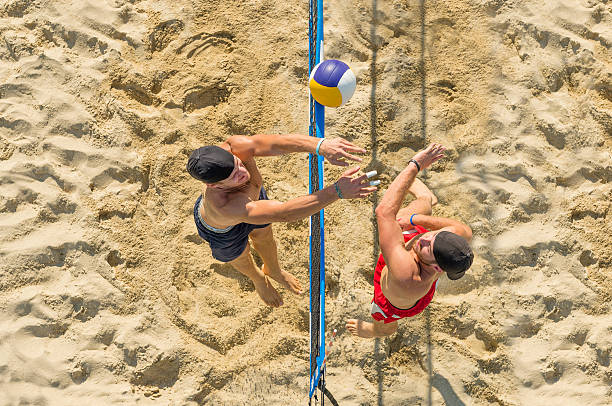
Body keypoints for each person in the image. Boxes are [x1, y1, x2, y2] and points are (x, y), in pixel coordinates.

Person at [187, 134, 377, 307]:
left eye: (239, 164)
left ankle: (273, 270)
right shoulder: (225, 205)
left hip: (253, 203)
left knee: (264, 235)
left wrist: (320, 145)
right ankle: (259, 279)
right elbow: (284, 213)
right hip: (223, 230)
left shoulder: (234, 146)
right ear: (212, 185)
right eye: (234, 176)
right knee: (241, 256)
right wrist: (336, 191)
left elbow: (277, 144)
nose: (242, 173)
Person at [346, 143, 474, 338]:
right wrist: (416, 220)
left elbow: (383, 212)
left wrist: (415, 165)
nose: (425, 238)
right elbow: (464, 230)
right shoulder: (447, 249)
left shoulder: (406, 274)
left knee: (385, 323)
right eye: (434, 235)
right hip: (421, 269)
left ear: (438, 269)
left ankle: (374, 331)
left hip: (395, 301)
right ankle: (426, 199)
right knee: (415, 211)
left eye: (428, 246)